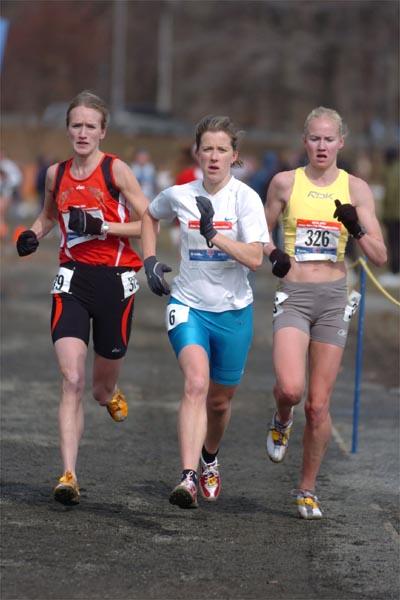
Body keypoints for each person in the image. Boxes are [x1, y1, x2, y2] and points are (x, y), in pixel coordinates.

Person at [15, 91, 150, 505]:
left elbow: (147, 219)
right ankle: (69, 474)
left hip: (115, 280)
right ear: (68, 129)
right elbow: (51, 215)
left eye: (91, 126)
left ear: (103, 132)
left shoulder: (116, 171)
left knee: (97, 388)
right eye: (77, 125)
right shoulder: (57, 174)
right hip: (72, 279)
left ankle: (110, 393)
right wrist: (33, 235)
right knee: (71, 379)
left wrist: (103, 226)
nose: (83, 132)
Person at [263, 106, 387, 519]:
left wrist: (356, 227)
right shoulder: (284, 183)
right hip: (295, 296)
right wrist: (274, 253)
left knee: (318, 404)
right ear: (305, 141)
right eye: (314, 138)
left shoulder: (357, 189)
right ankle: (282, 416)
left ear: (340, 143)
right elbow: (259, 233)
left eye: (328, 138)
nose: (321, 145)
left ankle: (307, 489)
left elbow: (380, 256)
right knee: (292, 390)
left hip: (334, 299)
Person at [141, 114, 269, 509]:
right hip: (188, 305)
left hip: (232, 311)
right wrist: (148, 260)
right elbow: (149, 215)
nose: (213, 157)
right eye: (207, 149)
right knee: (196, 383)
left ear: (234, 156)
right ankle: (187, 478)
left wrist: (215, 235)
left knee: (219, 401)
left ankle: (209, 457)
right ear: (197, 153)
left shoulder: (245, 198)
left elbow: (255, 258)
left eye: (222, 150)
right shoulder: (180, 193)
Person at [378, 147, 400, 287]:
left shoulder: (392, 171)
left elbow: (391, 194)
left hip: (394, 214)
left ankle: (395, 270)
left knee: (394, 243)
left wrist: (385, 214)